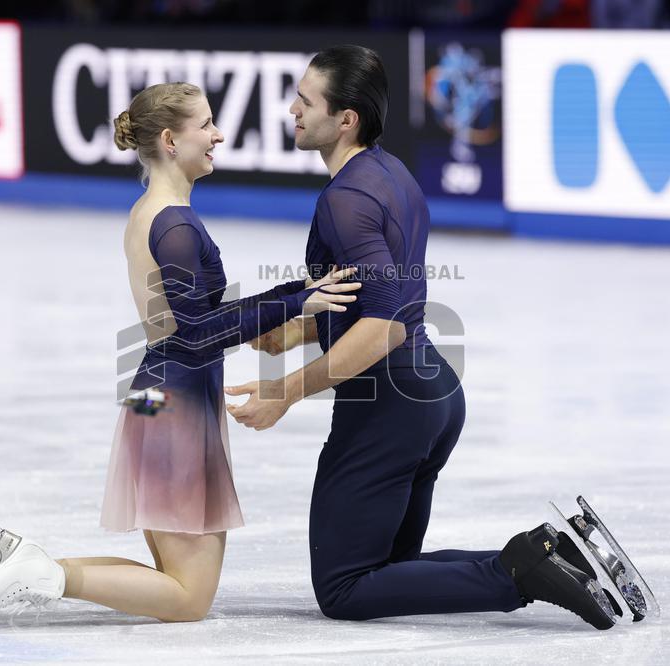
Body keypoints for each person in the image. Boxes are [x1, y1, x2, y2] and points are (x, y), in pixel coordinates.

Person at [226, 45, 617, 629]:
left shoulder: (346, 199)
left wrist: (284, 392)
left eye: (306, 101)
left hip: (388, 403)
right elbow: (380, 304)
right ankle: (550, 558)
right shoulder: (390, 174)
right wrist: (298, 330)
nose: (292, 111)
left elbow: (382, 329)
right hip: (431, 390)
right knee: (388, 568)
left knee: (345, 588)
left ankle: (519, 572)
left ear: (346, 118)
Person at [0, 82, 360, 627]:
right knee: (189, 597)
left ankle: (20, 563)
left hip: (156, 397)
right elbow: (196, 334)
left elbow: (193, 323)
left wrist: (296, 293)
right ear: (170, 139)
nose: (218, 135)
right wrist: (298, 302)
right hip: (175, 406)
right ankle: (32, 569)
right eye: (206, 125)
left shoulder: (152, 211)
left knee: (176, 580)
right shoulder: (176, 225)